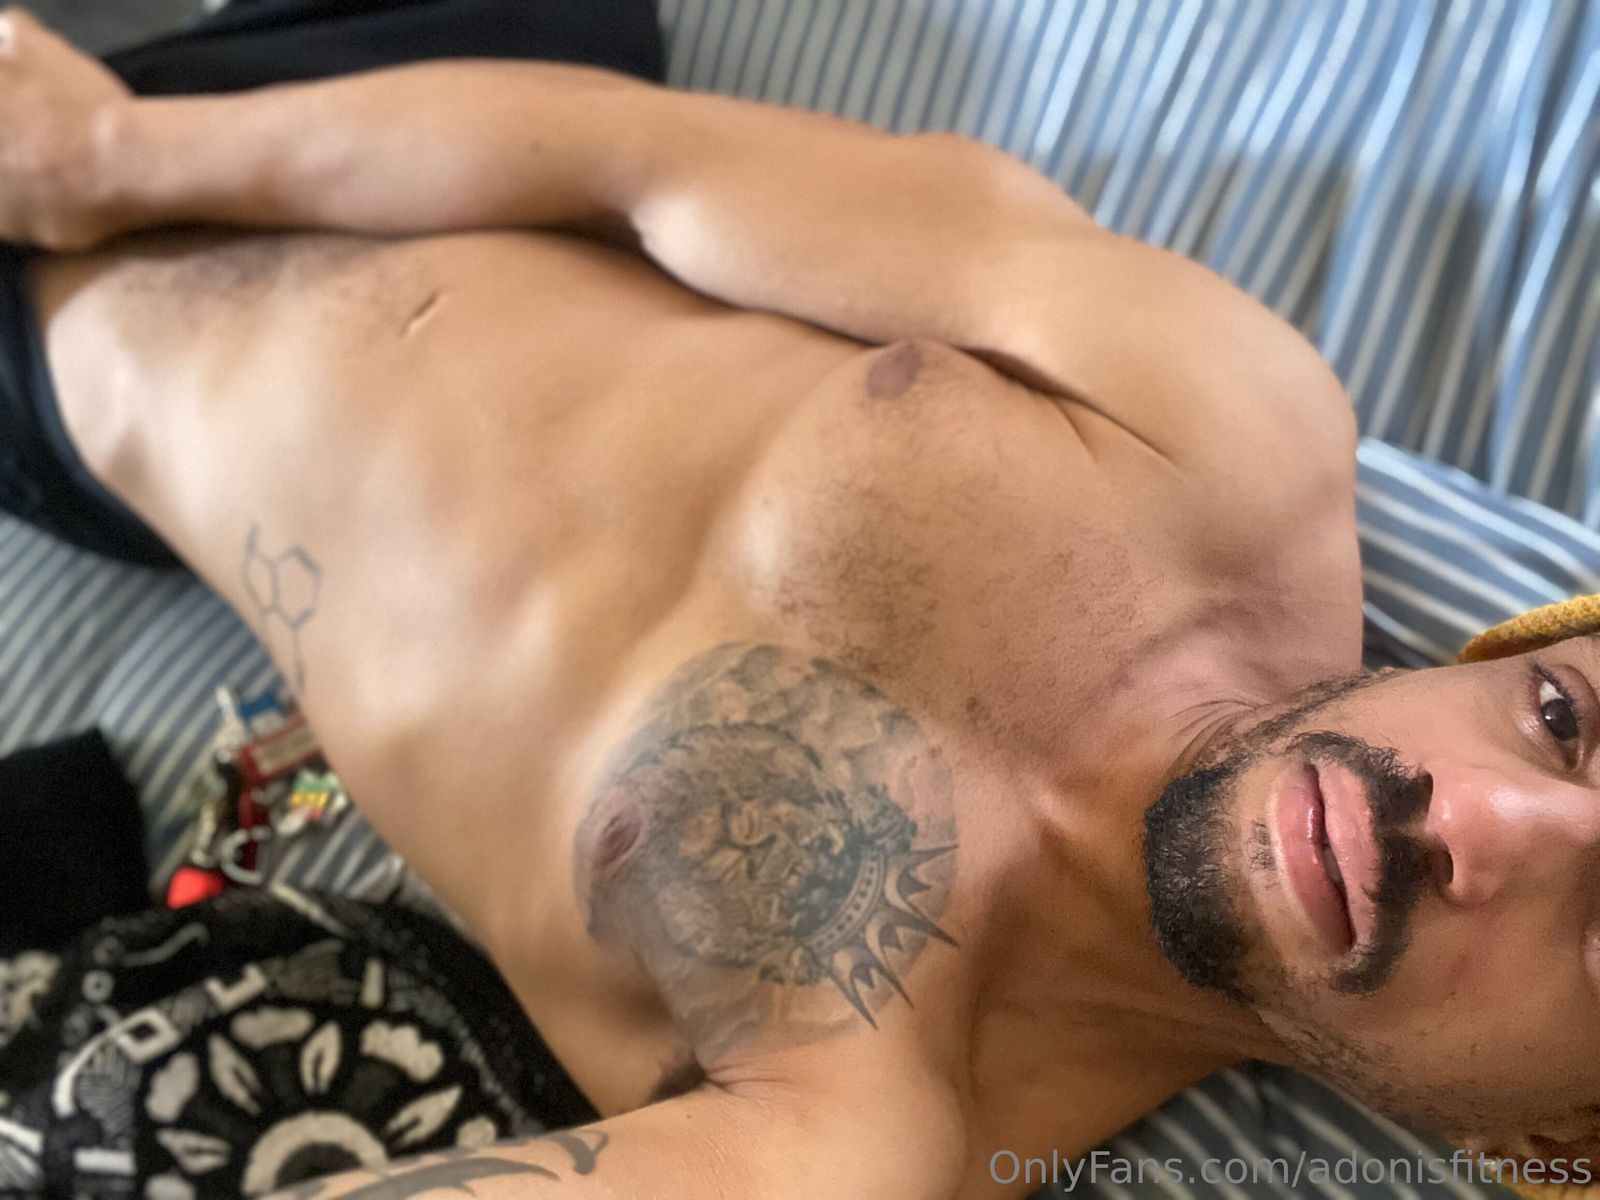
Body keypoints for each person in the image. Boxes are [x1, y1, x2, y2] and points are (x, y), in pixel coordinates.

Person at [2, 1, 1597, 1195]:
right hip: (394, 85)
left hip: (63, 398)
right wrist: (109, 158)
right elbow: (641, 164)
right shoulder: (1230, 431)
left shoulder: (857, 1126)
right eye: (1560, 718)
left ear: (1555, 1142)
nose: (1477, 821)